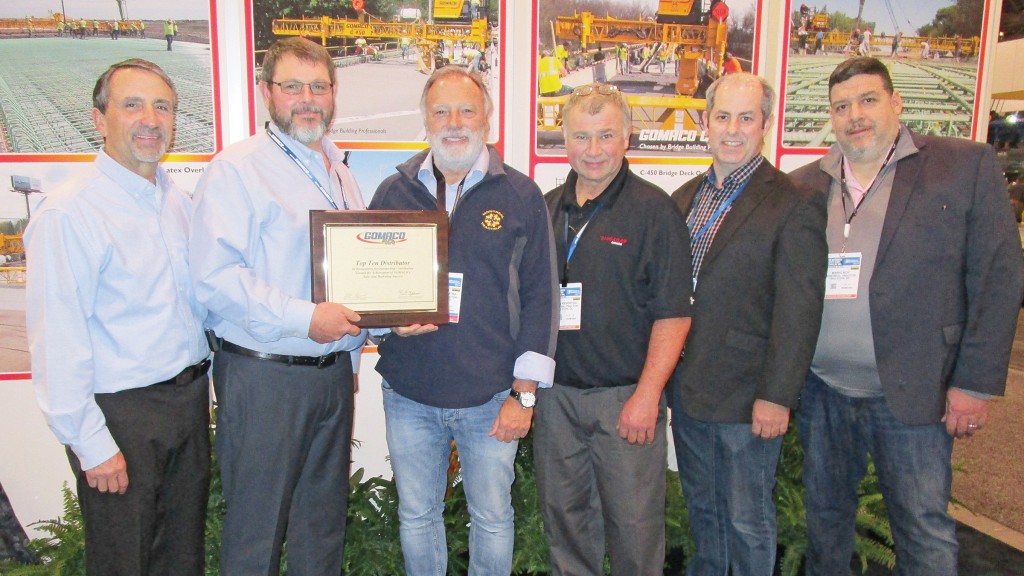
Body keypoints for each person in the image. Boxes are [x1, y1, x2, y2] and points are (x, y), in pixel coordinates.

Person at [789, 57, 1024, 575]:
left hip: (916, 390)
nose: (856, 115)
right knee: (825, 523)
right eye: (842, 106)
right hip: (823, 392)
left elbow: (997, 279)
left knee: (922, 528)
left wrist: (974, 384)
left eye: (868, 100)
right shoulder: (806, 184)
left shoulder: (963, 166)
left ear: (896, 104)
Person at [368, 65, 558, 576]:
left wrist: (525, 394)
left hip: (491, 397)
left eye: (466, 110)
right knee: (416, 515)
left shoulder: (520, 196)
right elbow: (367, 287)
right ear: (425, 119)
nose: (454, 122)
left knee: (493, 518)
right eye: (441, 111)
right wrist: (390, 322)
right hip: (409, 393)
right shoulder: (394, 191)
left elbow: (543, 298)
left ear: (486, 118)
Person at [190, 37, 368, 575]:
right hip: (264, 379)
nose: (307, 98)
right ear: (268, 92)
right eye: (292, 86)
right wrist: (305, 318)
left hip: (332, 377)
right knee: (256, 534)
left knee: (322, 529)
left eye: (318, 86)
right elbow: (214, 278)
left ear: (334, 92)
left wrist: (374, 329)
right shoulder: (238, 169)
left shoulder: (341, 173)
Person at [26, 58, 211, 575]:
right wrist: (91, 444)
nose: (150, 118)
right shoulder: (71, 213)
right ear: (98, 119)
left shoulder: (178, 203)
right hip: (120, 416)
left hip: (186, 403)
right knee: (123, 561)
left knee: (181, 558)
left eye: (162, 106)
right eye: (132, 104)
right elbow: (57, 340)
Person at [669, 72, 828, 575]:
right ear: (705, 123)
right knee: (704, 513)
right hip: (690, 392)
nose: (732, 130)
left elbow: (799, 309)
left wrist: (778, 395)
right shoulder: (684, 197)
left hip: (749, 397)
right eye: (722, 117)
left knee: (748, 521)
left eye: (745, 118)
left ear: (764, 124)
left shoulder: (793, 202)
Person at [536, 82, 692, 575]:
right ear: (565, 139)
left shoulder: (654, 210)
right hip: (555, 398)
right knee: (566, 523)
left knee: (635, 528)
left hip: (625, 399)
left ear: (627, 137)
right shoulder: (545, 208)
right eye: (582, 136)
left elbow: (674, 313)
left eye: (606, 135)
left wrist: (648, 395)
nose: (594, 150)